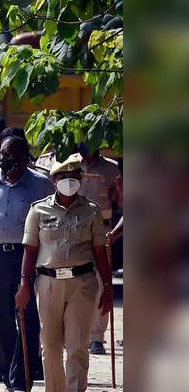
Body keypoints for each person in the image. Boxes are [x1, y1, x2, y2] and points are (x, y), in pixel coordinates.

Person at [18, 155, 113, 392]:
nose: (68, 182)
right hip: (47, 282)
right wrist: (24, 284)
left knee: (77, 346)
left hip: (82, 282)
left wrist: (107, 287)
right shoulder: (38, 211)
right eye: (62, 177)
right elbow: (30, 250)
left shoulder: (91, 211)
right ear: (54, 181)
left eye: (74, 177)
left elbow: (100, 252)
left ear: (81, 181)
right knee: (50, 345)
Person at [0, 136, 51, 392]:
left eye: (10, 155)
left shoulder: (41, 184)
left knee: (27, 313)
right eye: (1, 154)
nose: (3, 160)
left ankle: (21, 376)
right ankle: (7, 367)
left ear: (24, 159)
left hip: (27, 254)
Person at [78, 146, 122, 354]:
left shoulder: (111, 169)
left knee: (100, 282)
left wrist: (113, 232)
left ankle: (97, 338)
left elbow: (121, 202)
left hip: (102, 230)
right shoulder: (69, 165)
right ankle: (77, 335)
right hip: (73, 231)